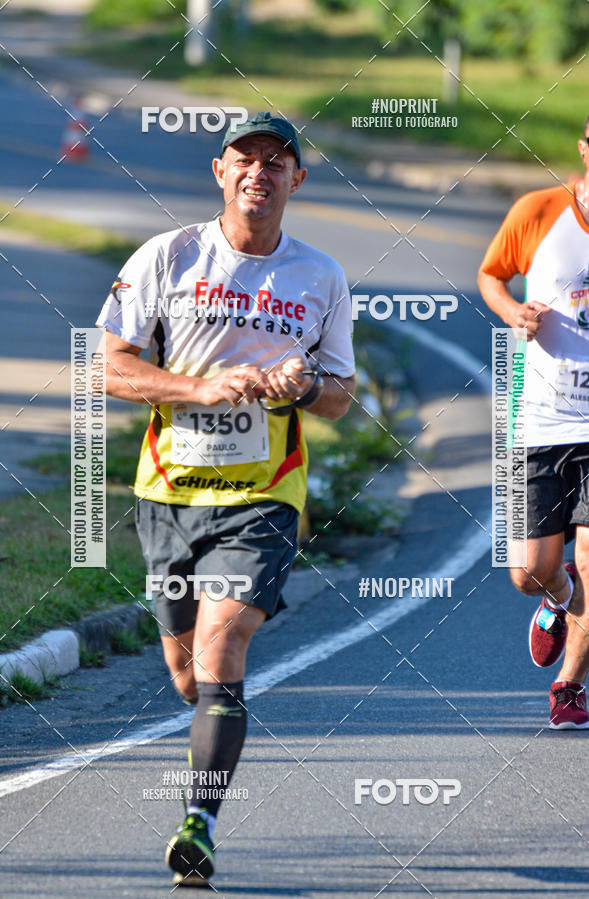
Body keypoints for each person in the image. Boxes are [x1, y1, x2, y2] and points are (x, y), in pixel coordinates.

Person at [96, 111, 355, 885]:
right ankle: (204, 742)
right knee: (185, 673)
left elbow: (340, 395)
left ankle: (199, 823)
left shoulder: (321, 276)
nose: (260, 173)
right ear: (219, 171)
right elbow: (106, 365)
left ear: (296, 180)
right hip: (170, 492)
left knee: (223, 646)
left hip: (264, 498)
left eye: (277, 163)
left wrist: (306, 383)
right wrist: (197, 387)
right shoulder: (168, 256)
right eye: (245, 160)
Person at [478, 104, 589, 730]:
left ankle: (570, 687)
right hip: (539, 421)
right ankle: (559, 596)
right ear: (584, 149)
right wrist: (511, 313)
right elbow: (492, 274)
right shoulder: (539, 211)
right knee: (528, 571)